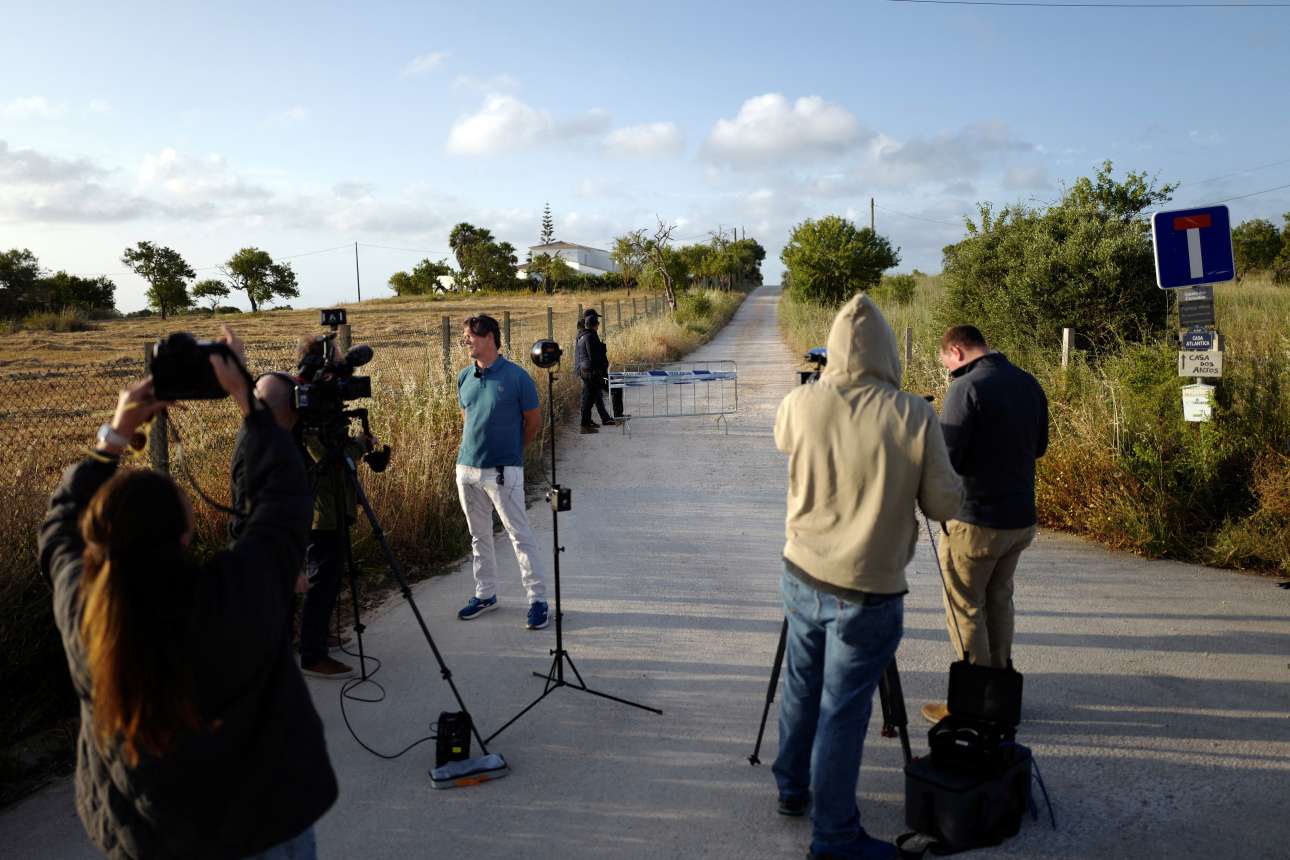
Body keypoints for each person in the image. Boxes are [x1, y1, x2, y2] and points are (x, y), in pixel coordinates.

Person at [38, 325, 337, 859]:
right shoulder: (234, 597)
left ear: (98, 539)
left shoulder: (84, 607)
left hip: (148, 839)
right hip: (260, 830)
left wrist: (115, 434)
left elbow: (58, 524)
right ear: (184, 535)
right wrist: (248, 398)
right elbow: (288, 501)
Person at [772, 294, 963, 860]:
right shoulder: (912, 414)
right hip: (868, 588)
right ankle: (832, 837)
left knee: (802, 686)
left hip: (800, 571)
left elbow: (786, 442)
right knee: (844, 710)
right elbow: (941, 503)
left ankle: (792, 789)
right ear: (888, 351)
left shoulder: (799, 402)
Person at [921, 325, 1049, 724]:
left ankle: (972, 706)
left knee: (965, 608)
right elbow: (1041, 446)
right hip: (1019, 521)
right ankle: (1000, 695)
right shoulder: (1027, 382)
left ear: (956, 351)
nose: (947, 371)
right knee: (998, 601)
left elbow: (949, 460)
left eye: (946, 363)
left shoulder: (964, 388)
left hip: (976, 521)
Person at [454, 313, 550, 630]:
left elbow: (533, 422)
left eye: (471, 335)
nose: (466, 339)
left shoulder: (517, 378)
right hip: (467, 471)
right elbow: (468, 418)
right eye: (465, 334)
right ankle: (485, 594)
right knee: (478, 536)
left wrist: (511, 453)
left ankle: (537, 600)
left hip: (503, 472)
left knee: (518, 535)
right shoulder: (464, 377)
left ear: (490, 338)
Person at [574, 308, 615, 433]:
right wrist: (601, 372)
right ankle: (585, 424)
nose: (598, 323)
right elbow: (593, 356)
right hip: (589, 370)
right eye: (596, 320)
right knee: (589, 397)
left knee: (593, 395)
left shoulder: (583, 334)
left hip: (585, 369)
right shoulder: (589, 335)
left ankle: (601, 419)